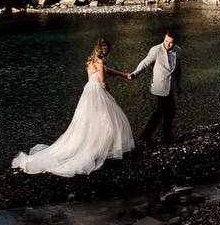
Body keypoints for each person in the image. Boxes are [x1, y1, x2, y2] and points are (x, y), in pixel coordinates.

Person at [12, 38, 134, 176]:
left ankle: (98, 147)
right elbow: (104, 82)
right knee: (107, 121)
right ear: (106, 50)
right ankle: (101, 149)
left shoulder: (92, 60)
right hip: (98, 92)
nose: (108, 53)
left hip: (88, 93)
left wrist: (124, 75)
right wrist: (110, 95)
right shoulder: (100, 61)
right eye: (108, 50)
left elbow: (107, 70)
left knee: (89, 123)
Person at [126, 28, 182, 144]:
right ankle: (163, 136)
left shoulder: (178, 50)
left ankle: (150, 135)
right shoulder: (156, 50)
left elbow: (178, 70)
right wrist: (135, 73)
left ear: (175, 42)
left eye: (171, 42)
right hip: (159, 86)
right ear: (164, 38)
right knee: (166, 111)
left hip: (170, 86)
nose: (168, 44)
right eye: (166, 41)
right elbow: (145, 62)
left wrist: (178, 85)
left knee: (165, 111)